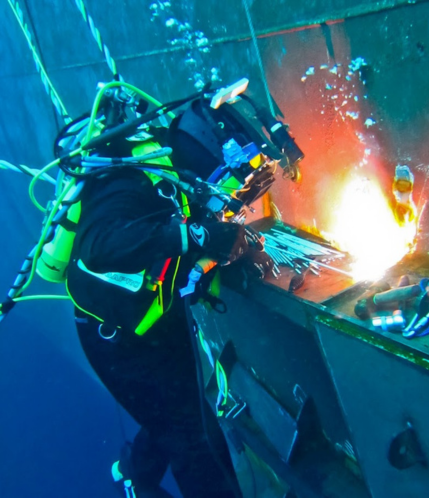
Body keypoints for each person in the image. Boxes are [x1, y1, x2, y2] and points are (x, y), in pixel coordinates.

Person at [65, 87, 277, 498]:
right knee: (191, 438)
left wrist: (237, 246)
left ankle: (135, 473)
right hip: (117, 341)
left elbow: (187, 228)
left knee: (182, 411)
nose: (232, 195)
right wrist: (201, 234)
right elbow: (101, 247)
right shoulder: (128, 183)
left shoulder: (176, 175)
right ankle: (143, 483)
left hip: (156, 315)